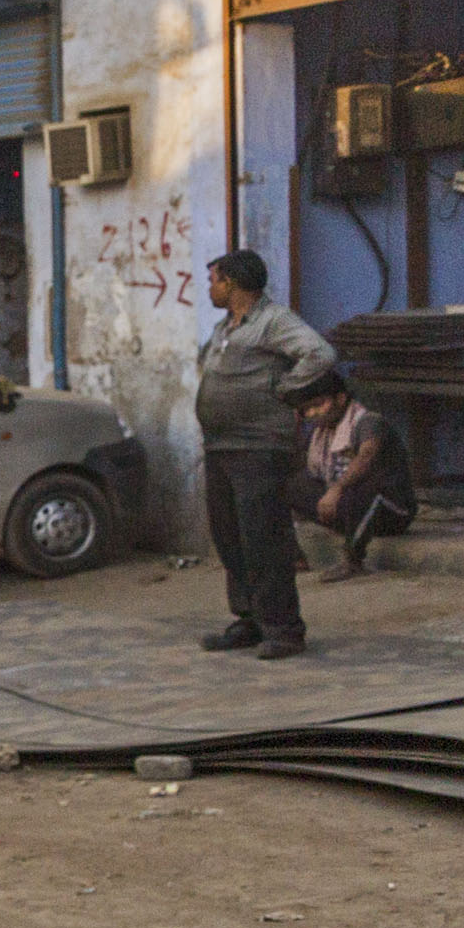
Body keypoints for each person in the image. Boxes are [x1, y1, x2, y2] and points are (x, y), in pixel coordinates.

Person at [192, 247, 335, 658]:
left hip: (259, 447)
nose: (210, 288)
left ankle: (284, 629)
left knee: (264, 538)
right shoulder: (225, 327)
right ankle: (250, 619)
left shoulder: (273, 320)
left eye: (214, 281)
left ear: (232, 283)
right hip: (221, 446)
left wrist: (285, 388)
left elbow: (320, 353)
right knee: (230, 536)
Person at [287, 361, 418, 578]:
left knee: (364, 490)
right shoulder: (320, 432)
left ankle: (353, 560)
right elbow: (298, 466)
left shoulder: (368, 422)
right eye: (306, 409)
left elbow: (366, 456)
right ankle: (295, 558)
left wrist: (336, 489)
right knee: (283, 485)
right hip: (347, 508)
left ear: (340, 399)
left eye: (319, 405)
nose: (313, 413)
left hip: (391, 511)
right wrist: (296, 428)